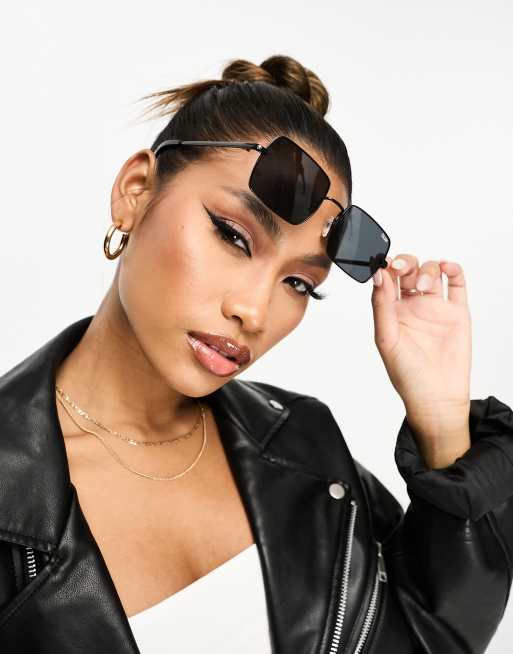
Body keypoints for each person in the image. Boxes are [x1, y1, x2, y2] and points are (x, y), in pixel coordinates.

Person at [0, 54, 512, 654]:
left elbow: (427, 639)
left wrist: (442, 422)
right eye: (233, 235)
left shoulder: (304, 451)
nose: (255, 311)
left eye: (298, 282)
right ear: (136, 192)